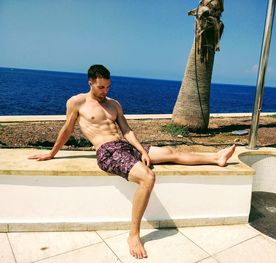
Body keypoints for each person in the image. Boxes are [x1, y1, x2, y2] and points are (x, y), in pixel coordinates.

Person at [29, 64, 236, 259]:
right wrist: (52, 153)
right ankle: (133, 234)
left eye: (108, 86)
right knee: (148, 177)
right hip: (107, 151)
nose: (105, 91)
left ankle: (216, 157)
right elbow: (67, 130)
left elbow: (126, 131)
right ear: (90, 82)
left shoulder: (114, 104)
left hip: (125, 147)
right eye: (101, 87)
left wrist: (141, 150)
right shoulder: (77, 102)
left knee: (170, 152)